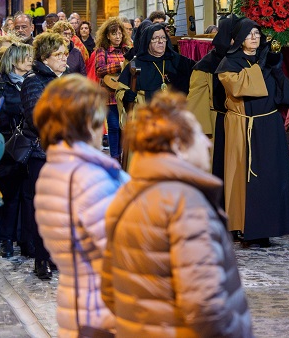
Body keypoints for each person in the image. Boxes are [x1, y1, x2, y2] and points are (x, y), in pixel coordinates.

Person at [101, 92, 253, 338]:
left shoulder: (129, 195)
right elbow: (205, 307)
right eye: (197, 136)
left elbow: (108, 291)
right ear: (178, 146)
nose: (207, 143)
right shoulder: (186, 206)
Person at [33, 75, 127, 338]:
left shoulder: (57, 167)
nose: (103, 130)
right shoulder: (87, 177)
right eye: (99, 122)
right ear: (86, 124)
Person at [217, 19, 289, 246]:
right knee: (245, 178)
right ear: (240, 38)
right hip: (244, 126)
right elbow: (240, 88)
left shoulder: (267, 61)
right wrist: (259, 67)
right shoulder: (229, 62)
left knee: (269, 177)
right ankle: (244, 227)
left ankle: (267, 227)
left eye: (257, 33)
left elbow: (286, 96)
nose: (255, 37)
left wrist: (277, 69)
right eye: (249, 34)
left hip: (268, 125)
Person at [21, 32, 69, 280]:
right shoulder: (33, 81)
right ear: (45, 57)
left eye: (65, 54)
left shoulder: (70, 78)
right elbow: (37, 117)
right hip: (43, 153)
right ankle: (42, 258)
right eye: (58, 54)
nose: (64, 58)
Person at [0, 43, 33, 258]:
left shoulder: (32, 82)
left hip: (27, 144)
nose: (30, 60)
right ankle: (3, 238)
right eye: (26, 57)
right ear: (14, 61)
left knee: (25, 194)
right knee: (7, 194)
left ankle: (23, 239)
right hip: (5, 144)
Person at [186, 14, 238, 182]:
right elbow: (195, 104)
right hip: (217, 125)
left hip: (239, 123)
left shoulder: (243, 61)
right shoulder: (205, 67)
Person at [116, 22, 194, 131]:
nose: (160, 41)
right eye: (155, 38)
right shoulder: (136, 64)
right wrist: (126, 96)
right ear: (147, 42)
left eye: (163, 38)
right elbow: (120, 91)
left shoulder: (177, 60)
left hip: (173, 120)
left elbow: (196, 75)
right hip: (146, 120)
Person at [92, 18, 129, 160]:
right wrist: (118, 65)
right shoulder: (103, 51)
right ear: (108, 36)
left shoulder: (127, 49)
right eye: (114, 34)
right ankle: (115, 157)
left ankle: (125, 157)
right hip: (109, 95)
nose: (118, 36)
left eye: (120, 33)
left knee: (124, 128)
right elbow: (99, 70)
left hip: (124, 94)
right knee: (113, 127)